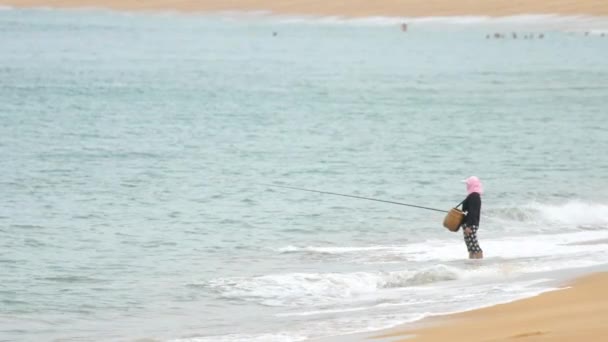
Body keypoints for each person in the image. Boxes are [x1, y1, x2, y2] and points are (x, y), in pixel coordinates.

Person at [461, 176, 483, 259]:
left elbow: (472, 212)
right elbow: (466, 211)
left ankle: (480, 266)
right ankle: (471, 266)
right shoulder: (471, 196)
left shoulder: (474, 196)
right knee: (470, 248)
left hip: (470, 225)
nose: (467, 186)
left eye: (468, 184)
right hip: (468, 224)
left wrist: (468, 226)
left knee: (475, 248)